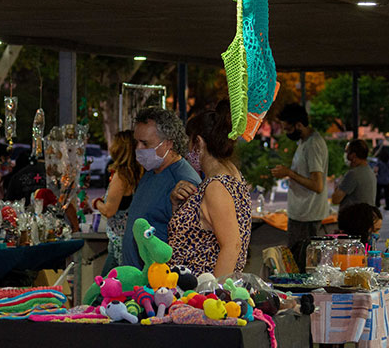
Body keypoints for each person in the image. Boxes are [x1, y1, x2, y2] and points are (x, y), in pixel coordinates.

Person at [168, 101, 252, 277]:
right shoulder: (229, 174)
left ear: (198, 142)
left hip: (200, 292)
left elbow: (232, 246)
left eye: (189, 143)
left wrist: (214, 295)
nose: (187, 150)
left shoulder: (216, 186)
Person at [120, 107, 201, 269]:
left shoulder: (184, 181)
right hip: (137, 281)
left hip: (159, 284)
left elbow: (190, 242)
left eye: (145, 143)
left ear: (168, 143)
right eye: (136, 142)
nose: (138, 149)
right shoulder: (151, 173)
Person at [271, 103, 328, 271]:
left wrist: (289, 173)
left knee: (302, 266)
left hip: (307, 216)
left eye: (288, 129)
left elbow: (317, 185)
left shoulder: (313, 145)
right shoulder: (303, 143)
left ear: (298, 125)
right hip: (301, 214)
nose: (286, 133)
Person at [92, 130, 143, 278]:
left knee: (104, 288)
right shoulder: (138, 173)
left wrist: (97, 203)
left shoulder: (121, 175)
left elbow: (109, 210)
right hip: (131, 240)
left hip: (118, 242)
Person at [331, 139, 376, 211]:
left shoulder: (353, 174)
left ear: (353, 155)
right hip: (365, 218)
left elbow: (335, 199)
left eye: (347, 152)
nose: (346, 155)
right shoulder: (370, 171)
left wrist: (338, 184)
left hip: (353, 219)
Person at [375, 145, 389, 211]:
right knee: (388, 194)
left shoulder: (379, 162)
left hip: (380, 180)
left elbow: (376, 170)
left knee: (378, 193)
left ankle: (377, 204)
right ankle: (388, 206)